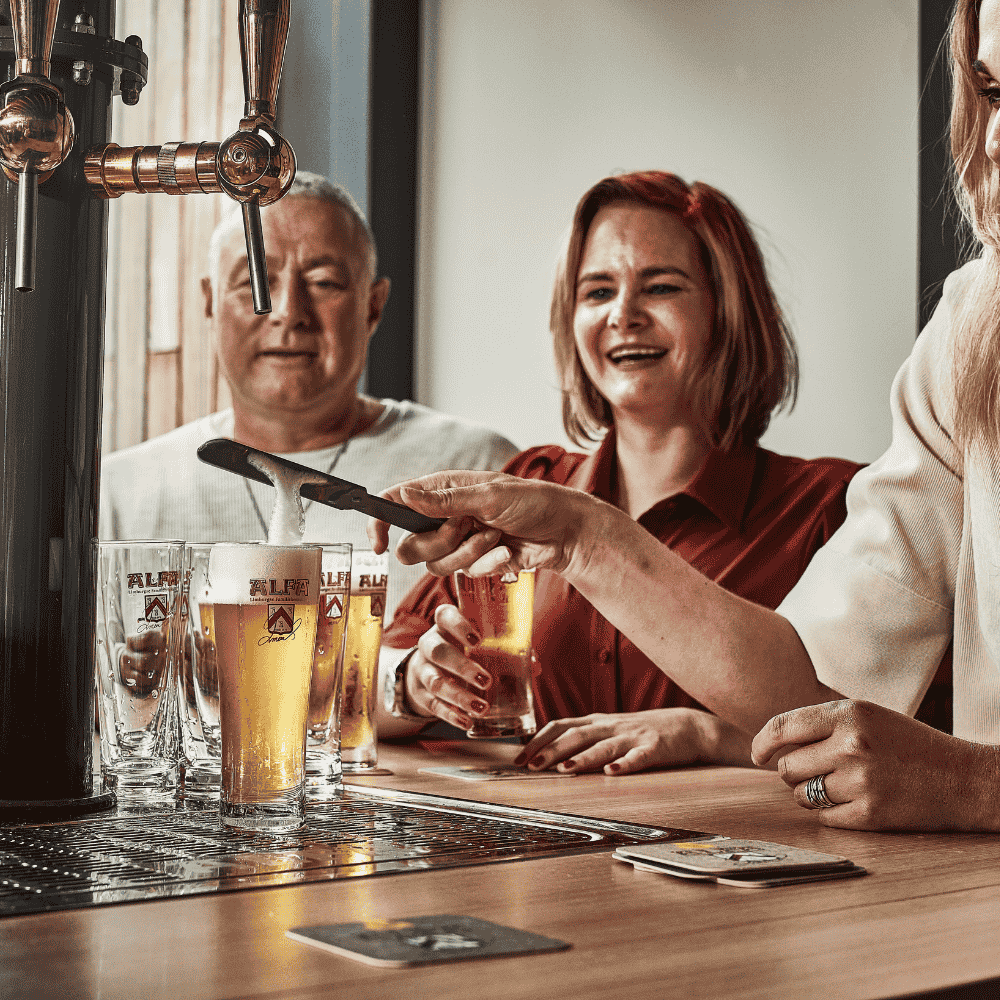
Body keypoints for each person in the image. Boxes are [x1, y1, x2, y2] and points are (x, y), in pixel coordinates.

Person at [369, 0, 1000, 833]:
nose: (990, 141)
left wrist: (972, 786)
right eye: (990, 91)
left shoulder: (818, 503)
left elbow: (909, 747)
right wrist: (582, 537)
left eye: (661, 287)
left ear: (729, 313)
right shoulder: (970, 327)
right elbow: (815, 689)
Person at [377, 170, 863, 775]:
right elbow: (366, 683)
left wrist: (711, 736)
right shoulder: (531, 479)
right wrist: (414, 683)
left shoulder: (833, 509)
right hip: (537, 859)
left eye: (660, 287)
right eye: (597, 292)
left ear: (728, 309)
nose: (623, 315)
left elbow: (888, 739)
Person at [100, 171, 518, 622]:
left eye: (324, 283)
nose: (288, 313)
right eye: (254, 283)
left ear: (373, 306)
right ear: (210, 300)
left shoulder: (478, 470)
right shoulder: (120, 497)